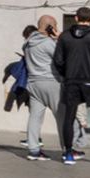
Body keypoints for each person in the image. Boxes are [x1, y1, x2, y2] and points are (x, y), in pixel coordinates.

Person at [54, 7, 90, 166]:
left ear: (75, 18)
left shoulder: (65, 37)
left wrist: (66, 74)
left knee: (69, 117)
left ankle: (68, 153)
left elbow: (58, 61)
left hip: (72, 81)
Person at [23, 16, 61, 160]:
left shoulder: (27, 43)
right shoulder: (48, 43)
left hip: (33, 83)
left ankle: (33, 149)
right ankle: (67, 149)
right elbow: (61, 58)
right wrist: (58, 39)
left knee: (35, 117)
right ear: (50, 27)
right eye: (55, 25)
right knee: (62, 116)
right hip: (51, 82)